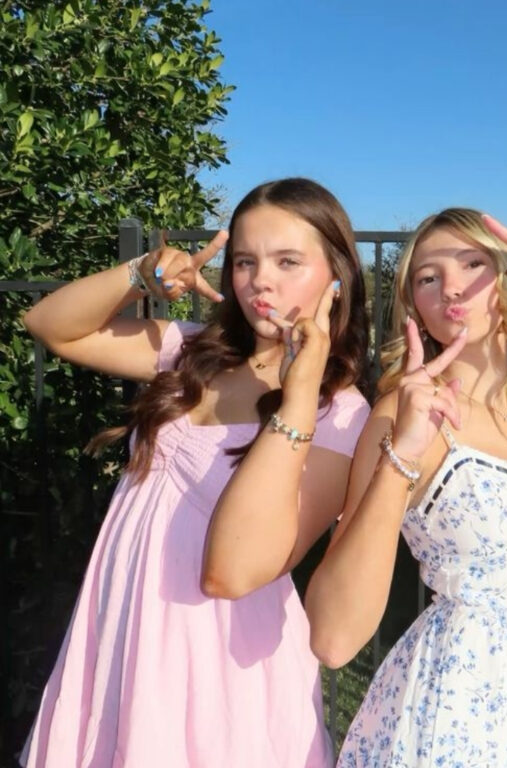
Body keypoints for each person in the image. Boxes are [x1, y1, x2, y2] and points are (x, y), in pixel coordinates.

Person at [20, 178, 371, 768]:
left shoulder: (341, 412)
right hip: (127, 628)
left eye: (288, 261)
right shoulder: (187, 351)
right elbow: (50, 324)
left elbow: (246, 570)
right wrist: (140, 273)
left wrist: (300, 390)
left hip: (219, 663)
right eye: (245, 261)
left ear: (337, 274)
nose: (261, 280)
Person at [304, 208, 507, 767]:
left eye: (471, 263)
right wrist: (401, 456)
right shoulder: (403, 417)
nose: (451, 286)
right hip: (460, 711)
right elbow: (334, 637)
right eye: (427, 277)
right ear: (415, 307)